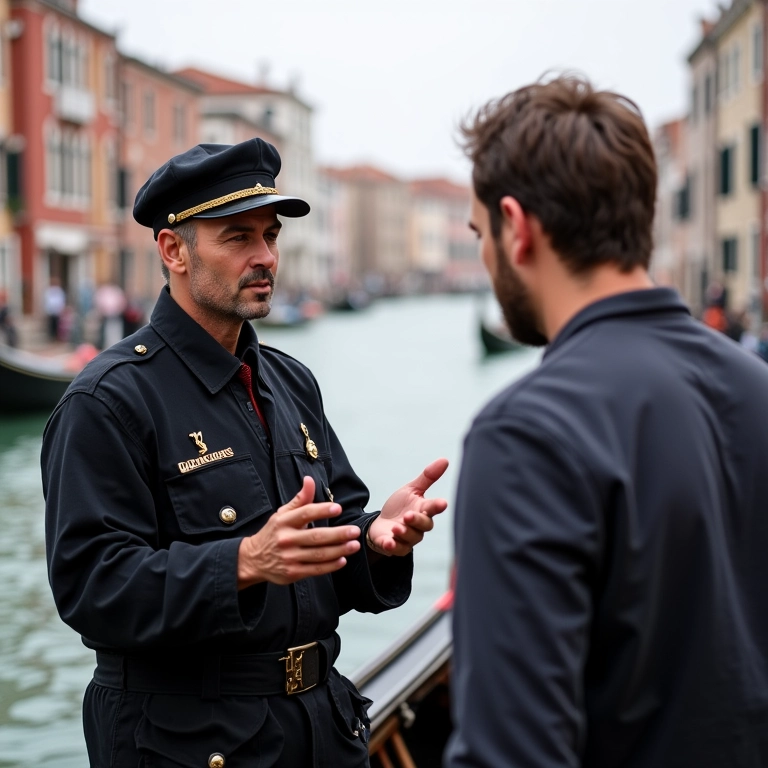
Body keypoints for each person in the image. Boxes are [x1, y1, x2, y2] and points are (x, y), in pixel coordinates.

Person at [41, 138, 448, 767]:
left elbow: (330, 547)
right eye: (237, 237)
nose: (265, 258)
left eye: (271, 235)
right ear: (173, 250)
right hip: (194, 746)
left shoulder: (290, 382)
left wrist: (373, 539)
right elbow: (92, 588)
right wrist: (243, 562)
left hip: (322, 732)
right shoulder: (107, 401)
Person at [446, 76, 768, 768]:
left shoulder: (525, 435)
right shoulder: (759, 387)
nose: (483, 256)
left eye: (480, 234)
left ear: (517, 226)